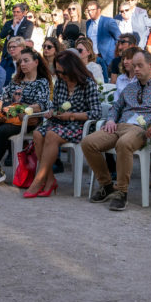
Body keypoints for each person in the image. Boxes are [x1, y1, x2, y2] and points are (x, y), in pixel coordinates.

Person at [81, 48, 151, 212]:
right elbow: (116, 108)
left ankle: (121, 192)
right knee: (88, 142)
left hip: (141, 129)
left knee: (124, 143)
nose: (135, 69)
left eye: (140, 65)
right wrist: (110, 119)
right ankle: (107, 186)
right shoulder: (129, 88)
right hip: (119, 126)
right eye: (134, 66)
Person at [22, 53, 101, 197]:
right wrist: (52, 111)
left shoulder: (87, 84)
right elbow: (57, 106)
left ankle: (39, 180)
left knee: (52, 135)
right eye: (57, 71)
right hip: (59, 121)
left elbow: (96, 113)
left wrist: (72, 115)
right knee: (37, 134)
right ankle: (50, 179)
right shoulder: (60, 82)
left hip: (79, 125)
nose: (60, 74)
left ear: (72, 68)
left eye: (62, 71)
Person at [0, 48, 53, 185]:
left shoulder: (41, 82)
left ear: (36, 62)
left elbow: (41, 105)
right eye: (21, 62)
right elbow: (4, 96)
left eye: (26, 61)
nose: (23, 64)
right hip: (7, 117)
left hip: (26, 120)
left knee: (3, 131)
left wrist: (20, 108)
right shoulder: (16, 80)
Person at [84, 0, 121, 68]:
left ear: (99, 10)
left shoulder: (108, 21)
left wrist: (115, 54)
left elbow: (119, 38)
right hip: (93, 58)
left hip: (107, 58)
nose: (90, 12)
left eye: (92, 10)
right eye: (88, 10)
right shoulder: (88, 23)